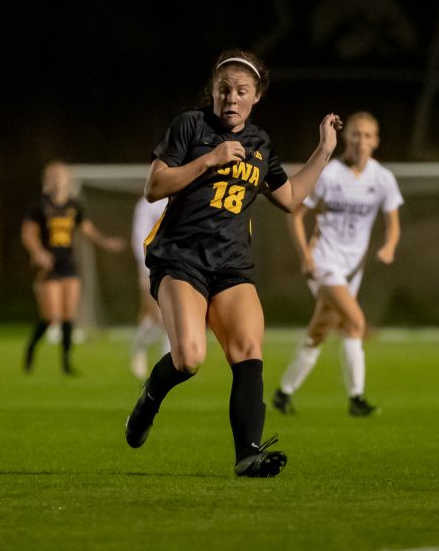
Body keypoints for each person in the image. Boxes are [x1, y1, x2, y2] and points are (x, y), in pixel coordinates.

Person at [123, 49, 343, 478]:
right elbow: (153, 187)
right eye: (225, 89)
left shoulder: (261, 143)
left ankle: (248, 454)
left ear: (256, 96)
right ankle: (151, 395)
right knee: (188, 358)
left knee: (247, 352)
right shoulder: (190, 125)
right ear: (214, 91)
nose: (231, 98)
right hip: (181, 258)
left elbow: (290, 198)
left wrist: (324, 151)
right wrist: (209, 159)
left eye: (242, 91)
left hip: (231, 265)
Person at [273, 111, 402, 417]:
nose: (362, 141)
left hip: (351, 269)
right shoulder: (329, 174)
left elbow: (393, 222)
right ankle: (357, 399)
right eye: (356, 134)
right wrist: (305, 256)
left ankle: (282, 393)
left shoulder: (382, 178)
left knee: (319, 331)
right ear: (346, 137)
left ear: (377, 141)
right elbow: (296, 214)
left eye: (368, 135)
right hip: (323, 262)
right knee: (355, 323)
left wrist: (389, 246)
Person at [21, 160, 125, 375]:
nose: (59, 180)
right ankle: (31, 349)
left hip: (68, 263)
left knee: (69, 314)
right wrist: (38, 253)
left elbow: (87, 230)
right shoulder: (39, 205)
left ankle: (66, 363)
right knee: (51, 316)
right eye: (55, 176)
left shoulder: (73, 205)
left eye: (63, 176)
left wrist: (106, 243)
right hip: (48, 265)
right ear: (48, 179)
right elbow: (28, 234)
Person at [129, 195, 170, 380]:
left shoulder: (183, 197)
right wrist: (146, 266)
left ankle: (169, 364)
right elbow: (139, 235)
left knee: (173, 316)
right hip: (151, 265)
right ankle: (139, 348)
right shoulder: (147, 203)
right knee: (154, 315)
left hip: (177, 266)